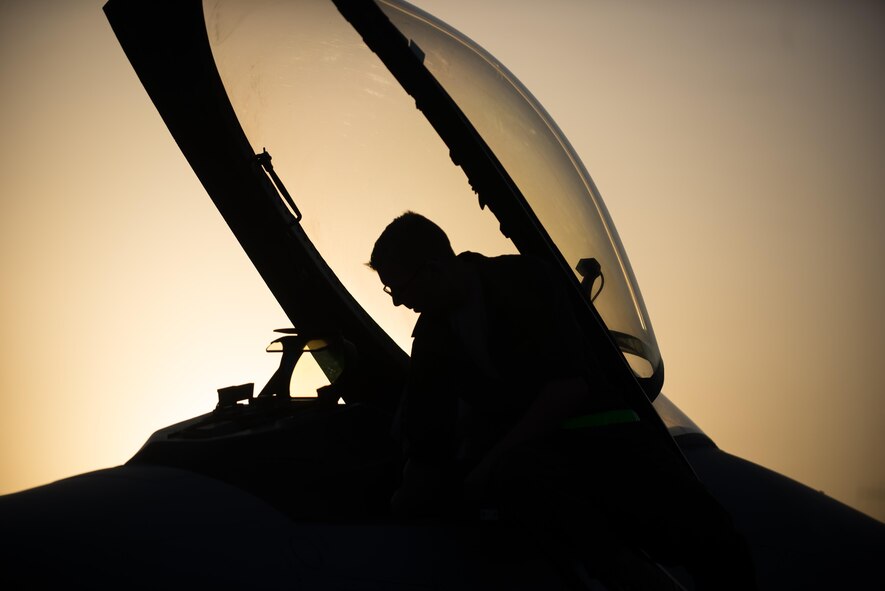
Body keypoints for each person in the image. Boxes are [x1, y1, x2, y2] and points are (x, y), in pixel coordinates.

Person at [370, 211, 756, 589]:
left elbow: (568, 388)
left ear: (433, 268)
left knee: (719, 549)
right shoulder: (433, 339)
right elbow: (426, 435)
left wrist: (487, 467)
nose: (398, 304)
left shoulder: (526, 280)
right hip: (540, 469)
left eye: (399, 289)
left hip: (611, 446)